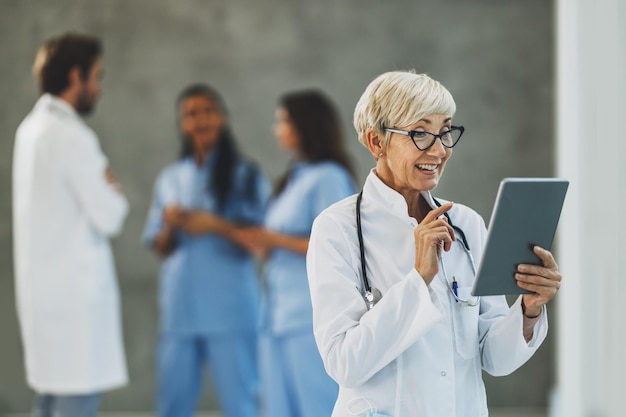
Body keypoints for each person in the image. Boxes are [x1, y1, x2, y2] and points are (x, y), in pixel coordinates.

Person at [305, 70, 563, 417]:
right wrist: (419, 279)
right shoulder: (337, 229)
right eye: (421, 133)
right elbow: (344, 363)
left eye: (445, 132)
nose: (440, 150)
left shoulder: (467, 225)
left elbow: (495, 359)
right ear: (376, 142)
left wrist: (529, 309)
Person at [12, 32, 129, 417]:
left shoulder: (30, 131)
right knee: (74, 402)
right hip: (74, 306)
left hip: (45, 301)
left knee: (49, 402)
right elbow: (110, 215)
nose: (98, 87)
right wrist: (113, 188)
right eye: (96, 76)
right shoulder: (72, 137)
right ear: (76, 76)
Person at [142, 84, 270, 417]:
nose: (201, 120)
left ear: (223, 118)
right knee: (171, 406)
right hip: (180, 311)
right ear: (182, 125)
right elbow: (159, 245)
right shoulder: (170, 179)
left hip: (229, 311)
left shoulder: (245, 176)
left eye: (208, 111)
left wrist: (213, 224)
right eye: (191, 114)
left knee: (242, 404)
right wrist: (171, 225)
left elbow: (262, 241)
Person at [240, 90, 355, 417]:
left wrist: (273, 239)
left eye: (283, 121)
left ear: (304, 125)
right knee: (277, 408)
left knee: (316, 405)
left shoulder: (330, 177)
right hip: (276, 314)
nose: (277, 129)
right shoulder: (295, 177)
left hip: (308, 316)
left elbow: (338, 244)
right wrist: (264, 244)